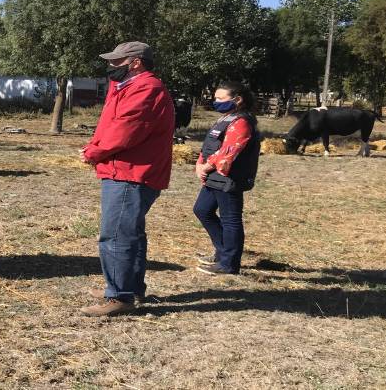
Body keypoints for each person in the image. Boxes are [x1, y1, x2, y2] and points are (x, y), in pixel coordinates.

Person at [79, 41, 175, 317]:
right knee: (130, 233)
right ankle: (128, 287)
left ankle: (119, 296)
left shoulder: (146, 89)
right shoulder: (130, 87)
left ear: (135, 62)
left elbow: (126, 129)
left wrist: (94, 151)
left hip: (131, 172)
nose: (111, 67)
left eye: (116, 62)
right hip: (127, 169)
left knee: (117, 235)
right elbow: (113, 123)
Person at [192, 81, 261, 275]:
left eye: (220, 98)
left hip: (230, 177)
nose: (216, 101)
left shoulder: (242, 122)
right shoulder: (226, 118)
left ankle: (229, 264)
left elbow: (228, 151)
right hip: (214, 176)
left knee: (230, 219)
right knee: (202, 210)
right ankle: (223, 252)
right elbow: (210, 144)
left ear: (237, 99)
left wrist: (206, 166)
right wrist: (199, 164)